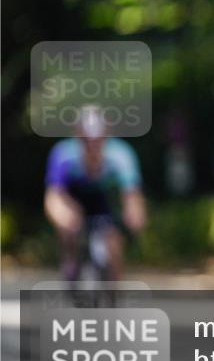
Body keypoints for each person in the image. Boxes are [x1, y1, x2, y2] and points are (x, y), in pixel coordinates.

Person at [44, 105, 146, 282]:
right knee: (69, 227)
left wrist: (134, 213)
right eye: (86, 140)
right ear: (77, 135)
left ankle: (113, 285)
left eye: (98, 140)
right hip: (74, 198)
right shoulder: (64, 153)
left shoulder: (120, 154)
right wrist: (61, 215)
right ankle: (71, 261)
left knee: (114, 243)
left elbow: (131, 192)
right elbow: (54, 194)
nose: (92, 146)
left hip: (104, 199)